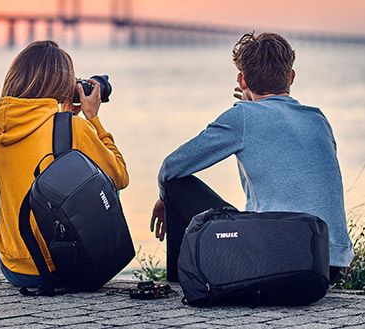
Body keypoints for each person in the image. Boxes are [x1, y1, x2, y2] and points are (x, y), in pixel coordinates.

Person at [150, 32, 354, 283]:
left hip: (278, 258)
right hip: (328, 264)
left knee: (176, 185)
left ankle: (180, 283)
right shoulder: (318, 119)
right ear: (291, 77)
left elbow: (170, 168)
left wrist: (165, 198)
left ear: (242, 79)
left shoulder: (242, 116)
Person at [0, 40, 129, 287]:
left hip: (12, 267)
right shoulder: (75, 128)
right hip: (57, 269)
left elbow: (32, 150)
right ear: (63, 84)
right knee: (101, 183)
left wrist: (64, 118)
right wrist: (92, 119)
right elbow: (120, 176)